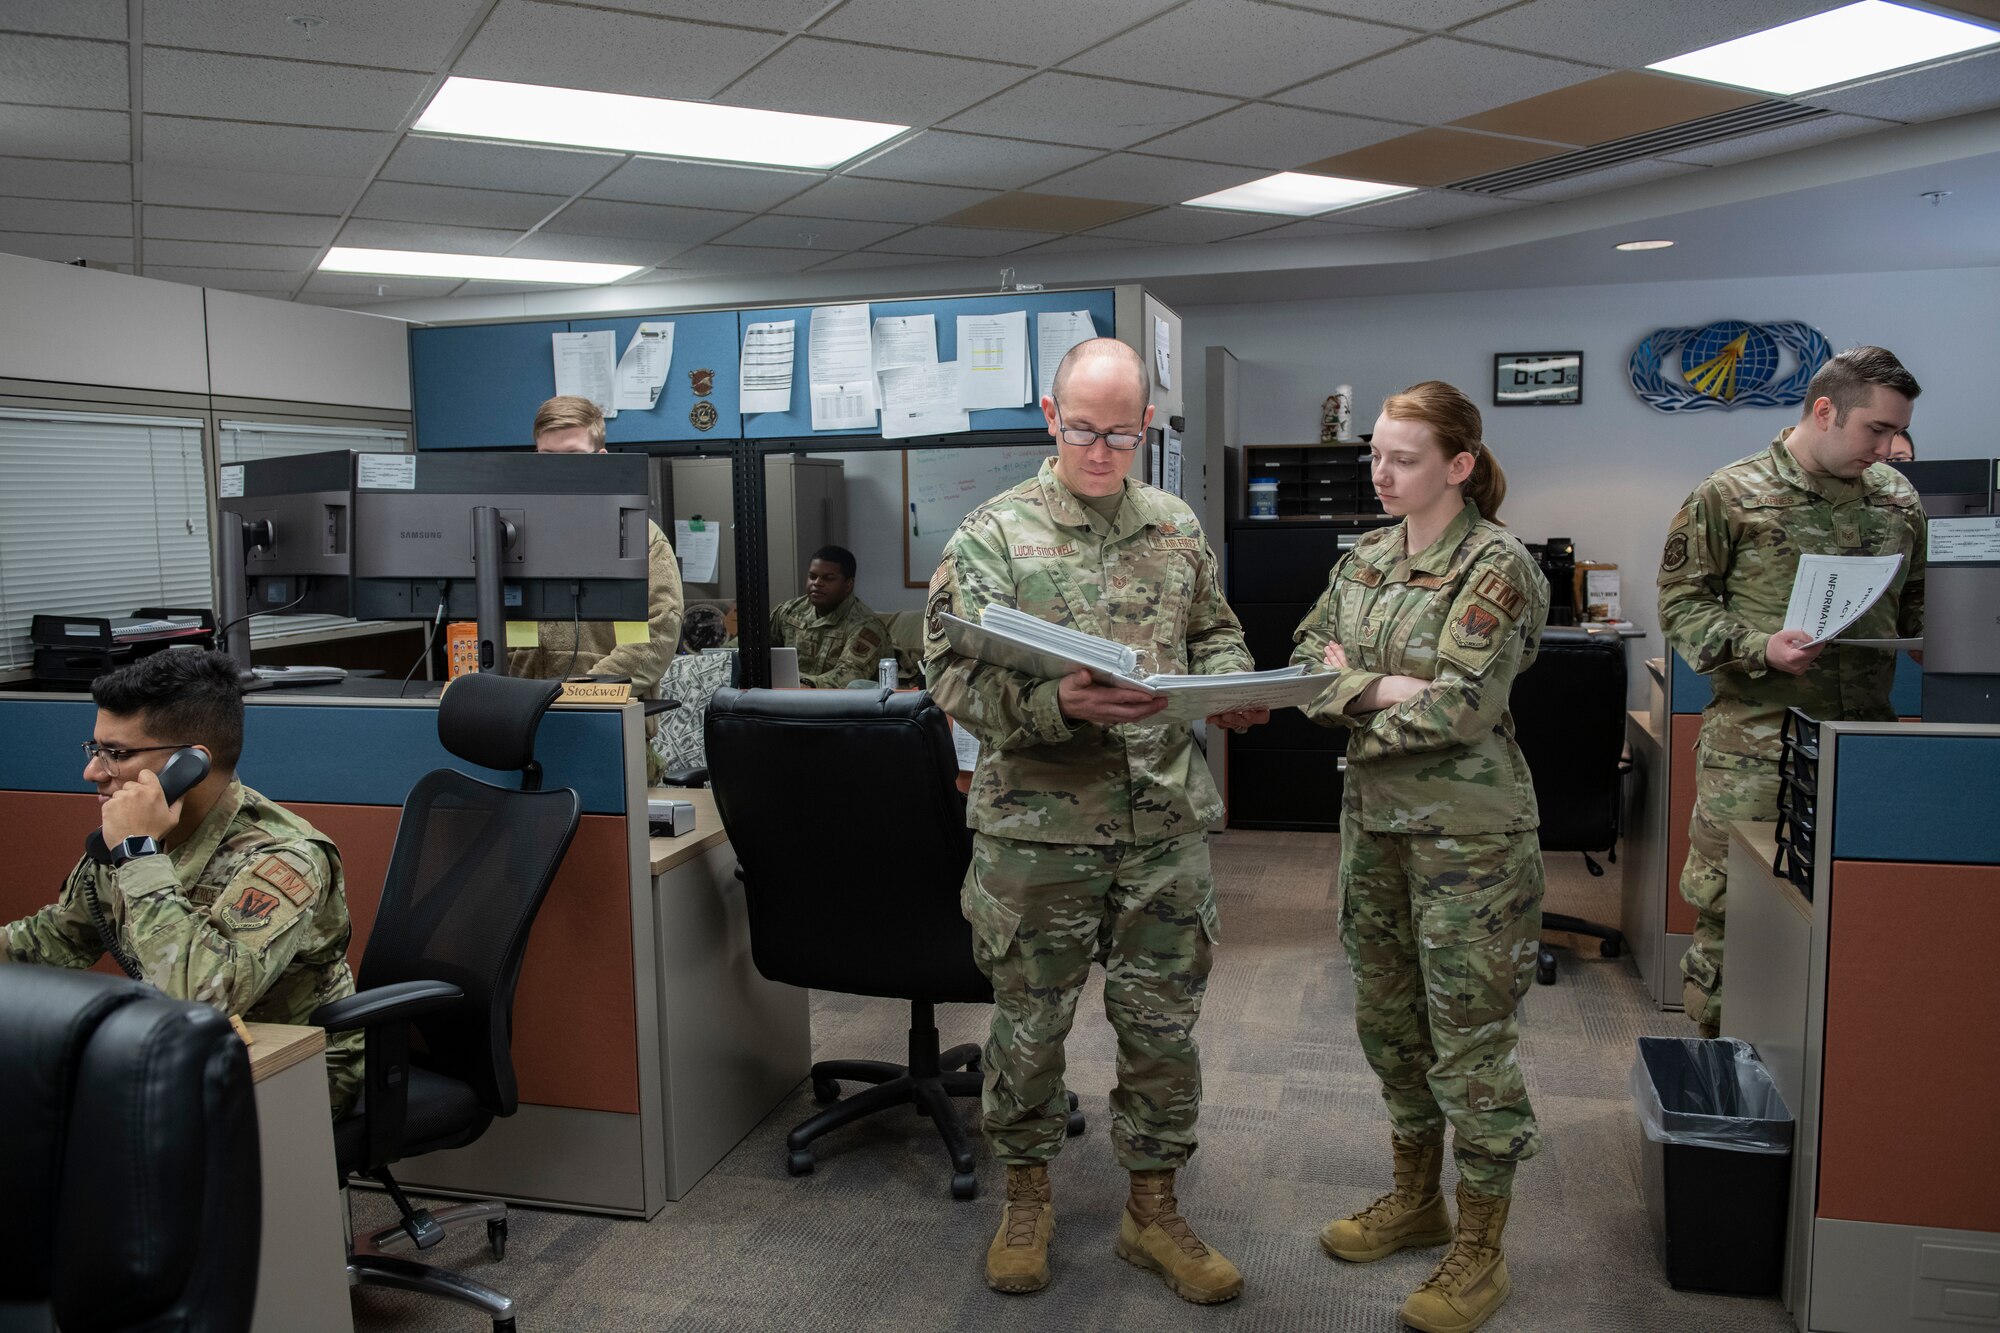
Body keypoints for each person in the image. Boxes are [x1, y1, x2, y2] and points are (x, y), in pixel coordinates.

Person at [923, 337, 1267, 1304]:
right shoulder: (993, 534)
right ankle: (1025, 1197)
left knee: (1163, 1027)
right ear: (1049, 414)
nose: (1103, 448)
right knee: (1029, 1028)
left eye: (1121, 432)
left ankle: (1151, 1207)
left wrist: (1228, 685)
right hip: (1037, 833)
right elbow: (946, 670)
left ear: (1145, 426)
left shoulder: (1175, 524)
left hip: (1163, 826)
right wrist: (1053, 707)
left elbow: (1214, 630)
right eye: (1084, 428)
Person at [1288, 381, 1548, 1333]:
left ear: (1459, 465)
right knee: (1392, 1025)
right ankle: (1417, 1198)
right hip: (1376, 828)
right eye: (1376, 455)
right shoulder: (1365, 558)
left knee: (1471, 1044)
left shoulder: (1499, 564)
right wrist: (1379, 684)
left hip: (1468, 841)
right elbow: (1303, 667)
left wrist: (1353, 693)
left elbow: (1464, 709)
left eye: (1402, 457)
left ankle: (1481, 1244)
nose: (1381, 472)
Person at [1658, 346, 1924, 1039]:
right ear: (1825, 409)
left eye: (1897, 431)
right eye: (1876, 429)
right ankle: (1719, 1091)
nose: (1890, 446)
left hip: (1863, 746)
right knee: (1732, 916)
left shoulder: (1899, 501)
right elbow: (1682, 606)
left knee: (1859, 914)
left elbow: (1921, 608)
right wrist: (1759, 646)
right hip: (1757, 745)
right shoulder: (1729, 492)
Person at [2, 648, 363, 1114]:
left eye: (117, 753)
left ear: (189, 764)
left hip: (296, 1070)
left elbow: (203, 1000)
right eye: (96, 750)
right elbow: (56, 938)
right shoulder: (143, 835)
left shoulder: (283, 859)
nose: (93, 772)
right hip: (186, 1059)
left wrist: (137, 854)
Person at [507, 395, 686, 694]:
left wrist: (584, 692)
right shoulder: (512, 537)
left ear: (600, 458)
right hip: (522, 713)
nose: (559, 472)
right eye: (548, 457)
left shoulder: (639, 536)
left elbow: (659, 631)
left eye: (573, 456)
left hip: (611, 716)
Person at [769, 545, 890, 688]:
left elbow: (849, 677)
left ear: (848, 585)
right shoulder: (789, 611)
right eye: (812, 577)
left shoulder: (866, 625)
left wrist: (804, 684)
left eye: (828, 578)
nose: (817, 583)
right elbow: (750, 649)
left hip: (843, 705)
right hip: (786, 697)